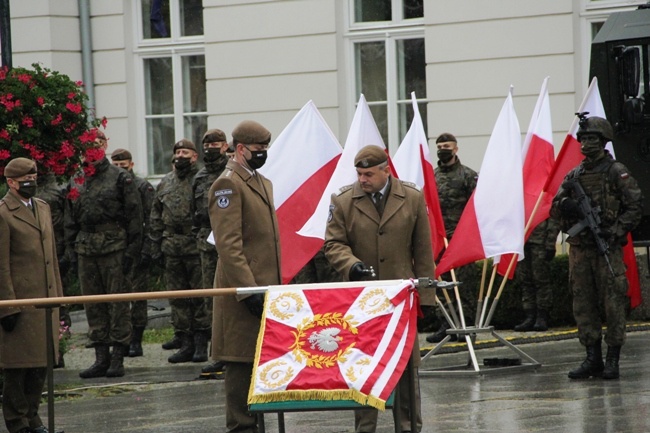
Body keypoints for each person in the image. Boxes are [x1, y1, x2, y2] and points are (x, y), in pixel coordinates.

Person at [324, 145, 434, 433]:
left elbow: (422, 251)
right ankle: (365, 428)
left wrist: (428, 297)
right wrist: (351, 265)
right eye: (359, 173)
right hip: (362, 300)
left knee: (407, 370)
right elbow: (333, 244)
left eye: (369, 174)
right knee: (363, 367)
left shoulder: (411, 197)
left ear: (386, 170)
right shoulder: (344, 200)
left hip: (401, 299)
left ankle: (409, 427)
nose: (363, 179)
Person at [551, 115, 643, 380]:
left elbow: (635, 206)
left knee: (613, 302)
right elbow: (554, 208)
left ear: (603, 142)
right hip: (580, 249)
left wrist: (614, 230)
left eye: (593, 139)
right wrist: (567, 206)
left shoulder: (616, 171)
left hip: (607, 247)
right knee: (583, 302)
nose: (587, 143)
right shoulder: (574, 175)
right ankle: (592, 358)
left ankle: (612, 359)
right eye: (584, 139)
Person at [208, 120, 280, 433]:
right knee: (240, 362)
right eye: (257, 150)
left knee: (260, 362)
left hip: (264, 289)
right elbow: (229, 245)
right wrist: (248, 290)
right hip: (242, 291)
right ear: (240, 149)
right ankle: (242, 428)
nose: (262, 154)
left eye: (265, 149)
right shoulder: (228, 184)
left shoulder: (261, 181)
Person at [64, 130, 143, 378]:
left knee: (118, 303)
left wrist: (132, 252)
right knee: (93, 304)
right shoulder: (76, 180)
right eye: (87, 145)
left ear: (105, 145)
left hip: (115, 249)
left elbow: (134, 216)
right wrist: (72, 249)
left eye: (97, 144)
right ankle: (101, 357)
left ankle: (118, 357)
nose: (92, 150)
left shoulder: (120, 178)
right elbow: (69, 221)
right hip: (86, 248)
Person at [0, 158, 64, 433]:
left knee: (41, 363)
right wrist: (7, 307)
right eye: (25, 179)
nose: (31, 183)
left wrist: (59, 299)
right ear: (10, 182)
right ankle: (18, 421)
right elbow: (1, 264)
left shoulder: (42, 208)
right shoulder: (3, 214)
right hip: (19, 302)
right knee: (18, 365)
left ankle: (34, 418)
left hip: (44, 300)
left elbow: (51, 258)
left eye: (34, 177)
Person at [147, 138, 209, 364]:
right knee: (178, 297)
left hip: (195, 246)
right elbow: (156, 214)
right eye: (177, 152)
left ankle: (202, 343)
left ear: (194, 156)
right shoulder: (165, 182)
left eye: (185, 152)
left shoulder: (201, 180)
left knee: (199, 296)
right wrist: (154, 244)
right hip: (171, 246)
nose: (180, 156)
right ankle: (185, 343)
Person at [427, 133, 479, 343]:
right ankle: (447, 325)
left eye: (447, 146)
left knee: (464, 284)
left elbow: (476, 207)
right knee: (443, 284)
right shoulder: (433, 176)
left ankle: (467, 326)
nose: (442, 149)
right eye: (439, 146)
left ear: (456, 149)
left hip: (461, 239)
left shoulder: (468, 175)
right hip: (440, 239)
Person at [191, 129, 230, 376]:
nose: (211, 148)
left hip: (232, 243)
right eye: (207, 144)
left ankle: (236, 351)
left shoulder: (233, 173)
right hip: (207, 245)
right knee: (212, 299)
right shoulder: (200, 177)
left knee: (233, 297)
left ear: (225, 146)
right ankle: (217, 354)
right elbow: (193, 212)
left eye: (216, 144)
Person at [110, 148, 155, 357]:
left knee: (138, 296)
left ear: (132, 164)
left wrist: (147, 248)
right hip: (117, 248)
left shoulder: (141, 187)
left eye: (124, 165)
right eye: (116, 165)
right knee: (118, 296)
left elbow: (150, 218)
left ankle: (136, 339)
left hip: (137, 248)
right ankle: (120, 337)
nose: (120, 169)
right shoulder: (111, 186)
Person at [35, 168, 70, 368]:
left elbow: (69, 221)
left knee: (59, 302)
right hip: (33, 252)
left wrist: (68, 251)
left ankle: (59, 349)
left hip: (57, 248)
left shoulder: (60, 188)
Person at [512, 219, 560, 332]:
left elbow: (553, 219)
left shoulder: (542, 200)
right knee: (525, 280)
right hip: (522, 240)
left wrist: (550, 242)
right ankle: (529, 315)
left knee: (541, 280)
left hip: (540, 241)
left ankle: (542, 316)